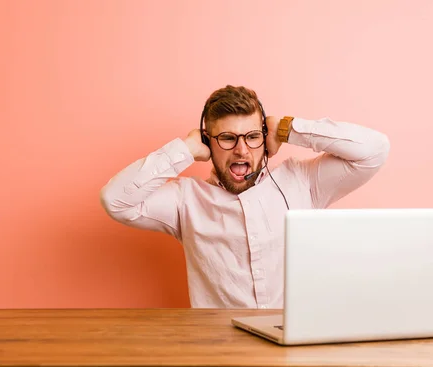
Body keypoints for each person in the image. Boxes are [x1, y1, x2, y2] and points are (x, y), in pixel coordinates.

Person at [100, 85, 390, 309]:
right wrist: (185, 149)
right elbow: (114, 200)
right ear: (207, 142)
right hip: (219, 353)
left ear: (264, 138)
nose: (241, 150)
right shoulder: (185, 201)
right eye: (227, 138)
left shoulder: (302, 182)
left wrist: (288, 128)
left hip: (293, 351)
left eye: (252, 136)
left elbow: (374, 150)